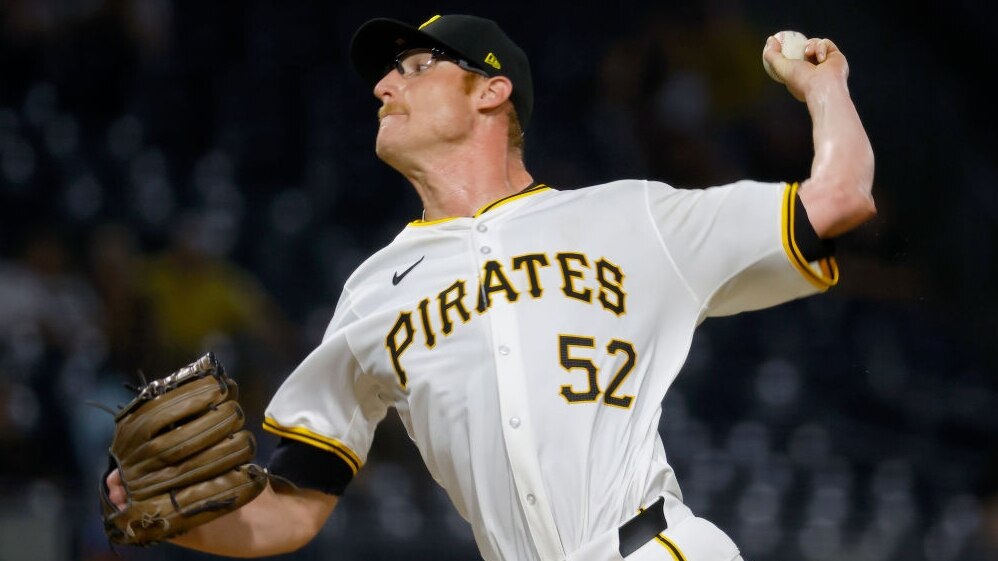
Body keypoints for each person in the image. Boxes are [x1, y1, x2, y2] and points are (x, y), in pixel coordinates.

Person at [105, 13, 875, 561]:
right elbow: (293, 508)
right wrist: (171, 518)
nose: (381, 86)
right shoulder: (373, 291)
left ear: (490, 91)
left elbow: (837, 198)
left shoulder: (629, 214)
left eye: (412, 67)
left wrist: (823, 86)